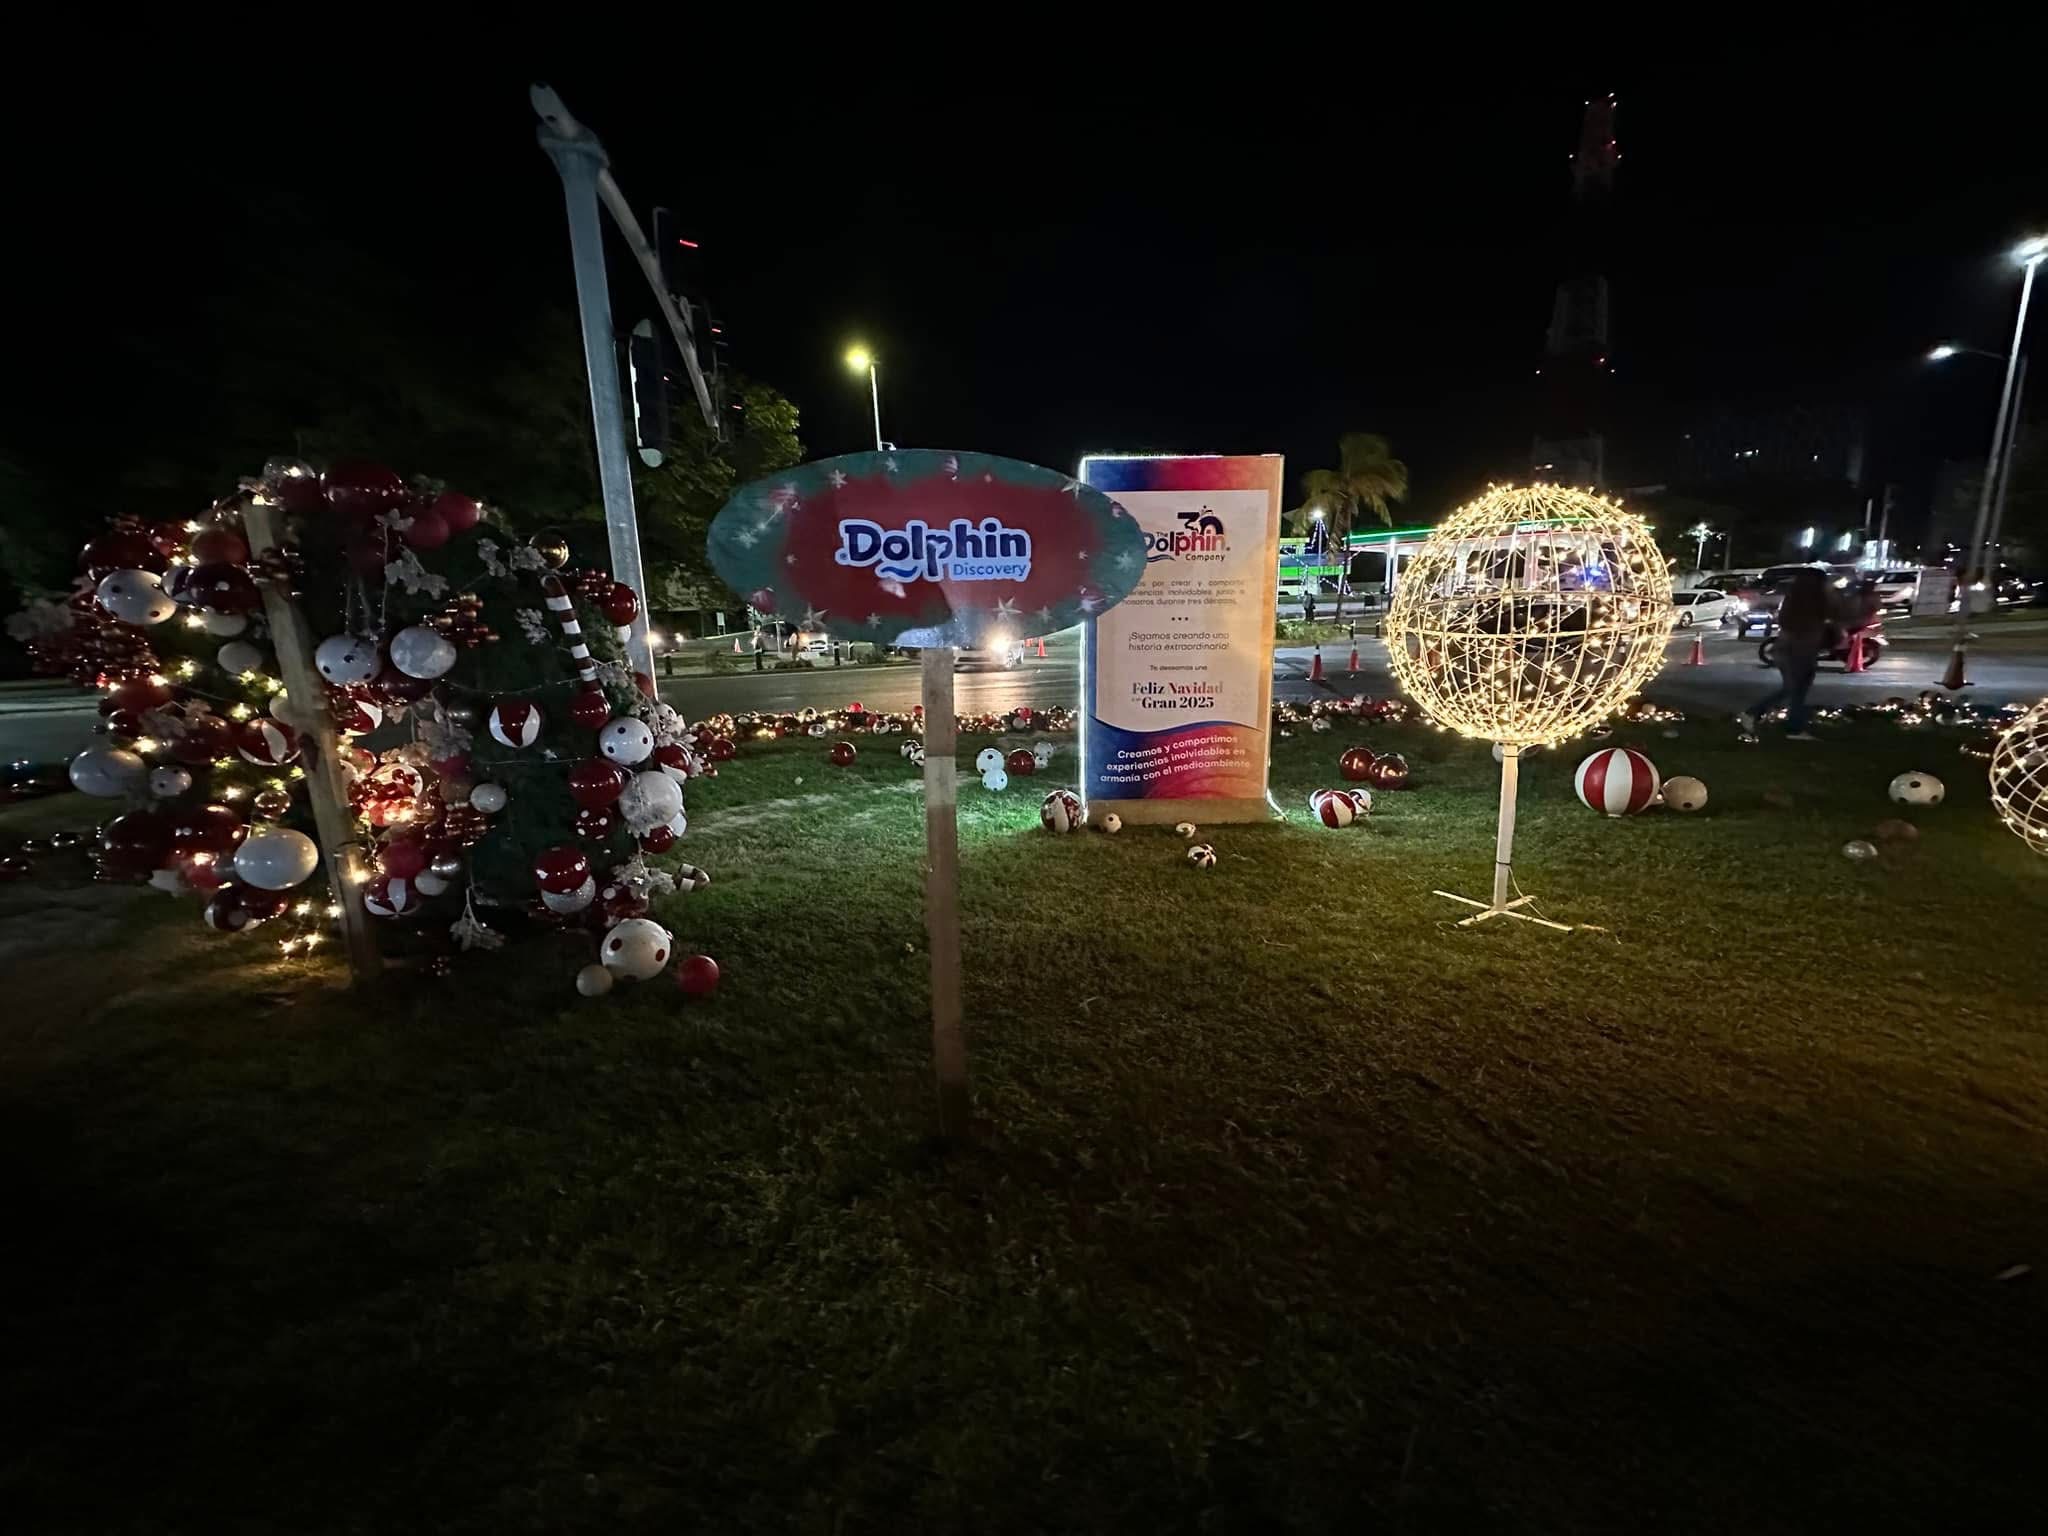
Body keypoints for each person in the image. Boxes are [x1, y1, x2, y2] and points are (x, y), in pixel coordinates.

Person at [1738, 567, 1825, 739]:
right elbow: (1798, 628)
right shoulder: (1805, 602)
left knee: (1796, 689)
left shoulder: (1798, 599)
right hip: (1795, 651)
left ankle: (1793, 727)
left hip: (1798, 650)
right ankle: (1754, 713)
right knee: (1793, 689)